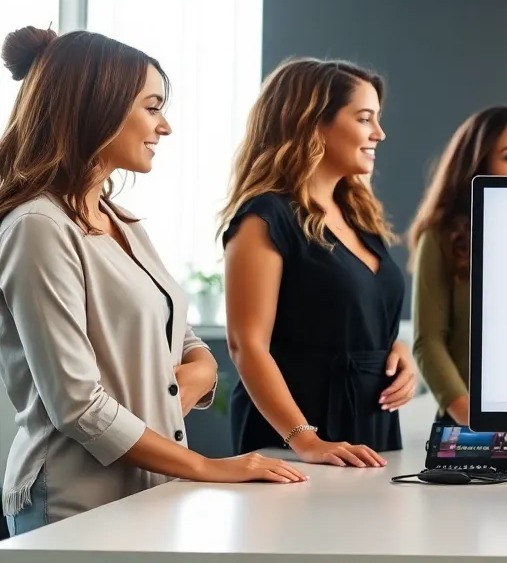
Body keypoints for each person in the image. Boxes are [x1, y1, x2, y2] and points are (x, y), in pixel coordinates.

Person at [0, 27, 304, 536]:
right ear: (97, 107)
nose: (165, 126)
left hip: (151, 491)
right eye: (152, 106)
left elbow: (181, 337)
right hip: (76, 504)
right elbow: (76, 403)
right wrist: (211, 466)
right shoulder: (38, 228)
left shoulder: (122, 222)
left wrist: (202, 369)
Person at [220, 58, 415, 467]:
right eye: (365, 119)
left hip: (371, 431)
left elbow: (352, 312)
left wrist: (394, 352)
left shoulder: (359, 217)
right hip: (295, 443)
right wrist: (306, 440)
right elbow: (246, 345)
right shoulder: (264, 218)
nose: (379, 133)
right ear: (312, 123)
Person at [407, 105, 507, 423]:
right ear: (480, 164)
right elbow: (428, 341)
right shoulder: (441, 237)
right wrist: (471, 416)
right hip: (474, 423)